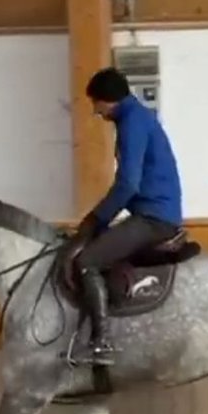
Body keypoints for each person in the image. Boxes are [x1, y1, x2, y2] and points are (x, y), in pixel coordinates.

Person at [64, 66, 184, 366]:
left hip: (154, 218)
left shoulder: (132, 122)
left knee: (86, 261)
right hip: (152, 212)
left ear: (108, 100)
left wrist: (97, 219)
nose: (96, 111)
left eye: (96, 104)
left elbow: (128, 184)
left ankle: (101, 342)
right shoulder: (136, 118)